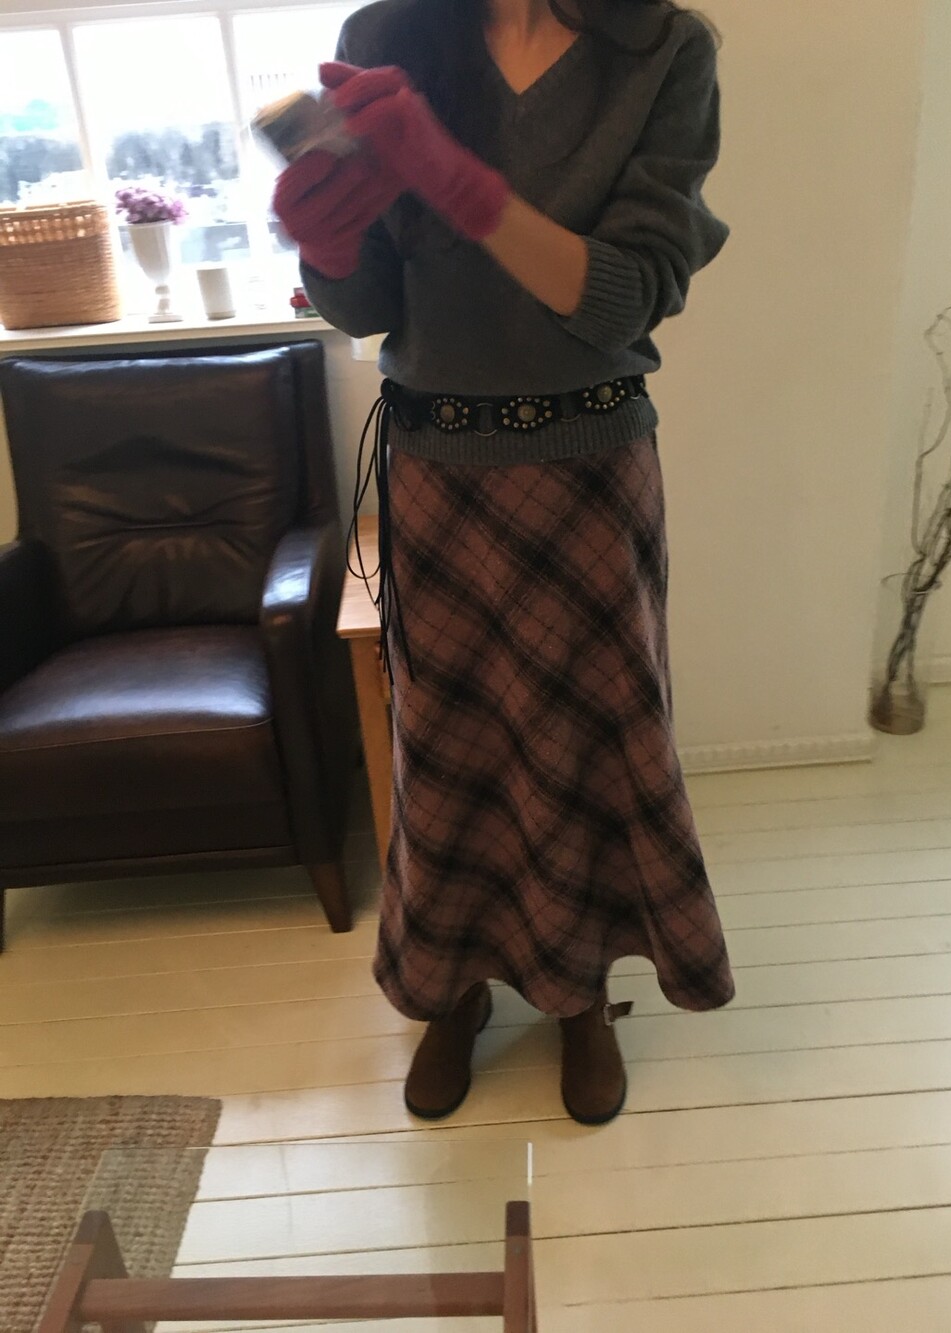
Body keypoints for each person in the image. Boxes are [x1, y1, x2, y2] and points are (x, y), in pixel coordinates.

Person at [272, 0, 735, 1126]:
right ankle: (455, 987)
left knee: (594, 742)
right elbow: (370, 305)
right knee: (448, 748)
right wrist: (326, 246)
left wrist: (458, 183)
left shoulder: (662, 50)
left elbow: (626, 295)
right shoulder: (387, 38)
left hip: (590, 461)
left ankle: (580, 996)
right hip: (436, 463)